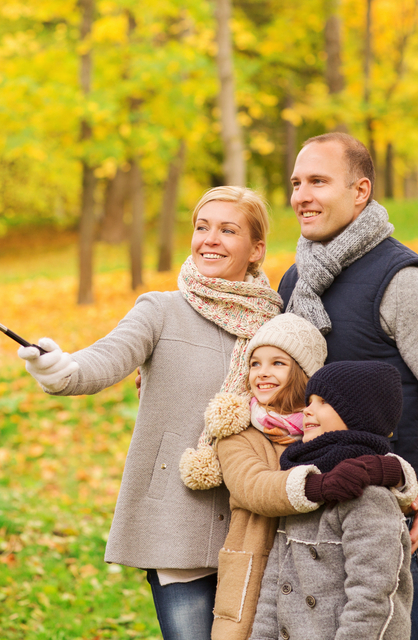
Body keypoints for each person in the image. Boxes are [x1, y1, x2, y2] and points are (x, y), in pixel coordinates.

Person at [18, 186, 285, 639]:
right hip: (175, 520)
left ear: (256, 249)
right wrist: (61, 369)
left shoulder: (277, 325)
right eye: (202, 228)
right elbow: (106, 358)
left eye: (227, 230)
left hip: (256, 525)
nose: (210, 239)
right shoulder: (161, 310)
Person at [278, 132, 418, 640]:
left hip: (390, 514)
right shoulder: (294, 283)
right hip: (307, 512)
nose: (301, 195)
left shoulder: (404, 281)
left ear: (360, 191)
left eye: (318, 181)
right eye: (296, 183)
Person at [181, 313, 415, 640]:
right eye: (255, 364)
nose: (263, 372)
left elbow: (372, 595)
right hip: (253, 572)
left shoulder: (313, 443)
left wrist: (387, 470)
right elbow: (254, 487)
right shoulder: (242, 434)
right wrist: (321, 485)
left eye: (278, 363)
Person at [249, 360, 416, 640]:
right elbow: (275, 589)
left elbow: (371, 599)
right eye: (309, 401)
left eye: (324, 402)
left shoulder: (369, 496)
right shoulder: (304, 486)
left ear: (359, 415)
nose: (307, 410)